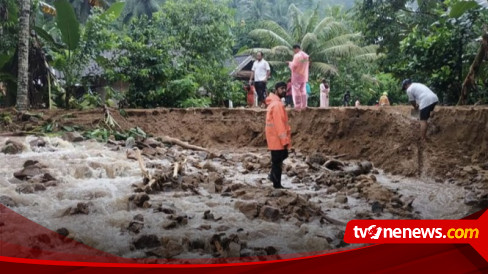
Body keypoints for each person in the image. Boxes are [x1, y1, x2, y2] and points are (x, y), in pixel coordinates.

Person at [265, 82, 291, 189]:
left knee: (279, 159)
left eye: (285, 88)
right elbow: (279, 124)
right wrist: (284, 141)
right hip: (277, 139)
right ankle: (276, 184)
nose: (284, 90)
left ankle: (273, 177)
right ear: (276, 90)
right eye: (282, 88)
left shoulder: (274, 103)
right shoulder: (277, 105)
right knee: (277, 162)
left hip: (274, 138)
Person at [288, 44, 309, 111]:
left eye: (294, 50)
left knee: (296, 91)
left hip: (297, 76)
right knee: (303, 90)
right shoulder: (306, 56)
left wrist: (289, 63)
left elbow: (294, 66)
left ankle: (298, 105)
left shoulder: (297, 56)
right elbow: (304, 64)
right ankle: (304, 105)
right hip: (303, 75)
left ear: (296, 49)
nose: (294, 51)